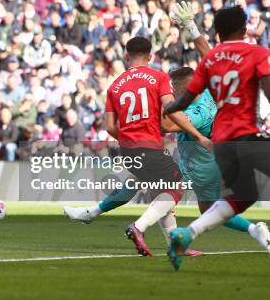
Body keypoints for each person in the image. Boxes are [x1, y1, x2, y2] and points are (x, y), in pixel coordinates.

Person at [63, 67, 270, 254]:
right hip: (197, 160)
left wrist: (139, 113)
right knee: (141, 180)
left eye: (173, 89)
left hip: (198, 168)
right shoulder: (205, 93)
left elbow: (167, 126)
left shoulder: (197, 114)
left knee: (194, 203)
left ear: (182, 89)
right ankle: (94, 213)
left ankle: (129, 224)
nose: (170, 93)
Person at [164, 4, 270, 270]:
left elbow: (201, 72)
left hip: (223, 144)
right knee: (232, 199)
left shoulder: (212, 62)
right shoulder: (258, 53)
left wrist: (169, 108)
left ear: (218, 32)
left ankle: (187, 233)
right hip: (247, 135)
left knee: (239, 199)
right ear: (245, 29)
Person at [101, 36, 212, 257]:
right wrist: (197, 135)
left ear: (126, 56)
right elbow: (172, 112)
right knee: (174, 188)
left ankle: (176, 245)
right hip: (149, 145)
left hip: (128, 148)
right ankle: (138, 227)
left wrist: (130, 136)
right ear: (150, 56)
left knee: (160, 192)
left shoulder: (114, 86)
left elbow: (110, 127)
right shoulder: (158, 77)